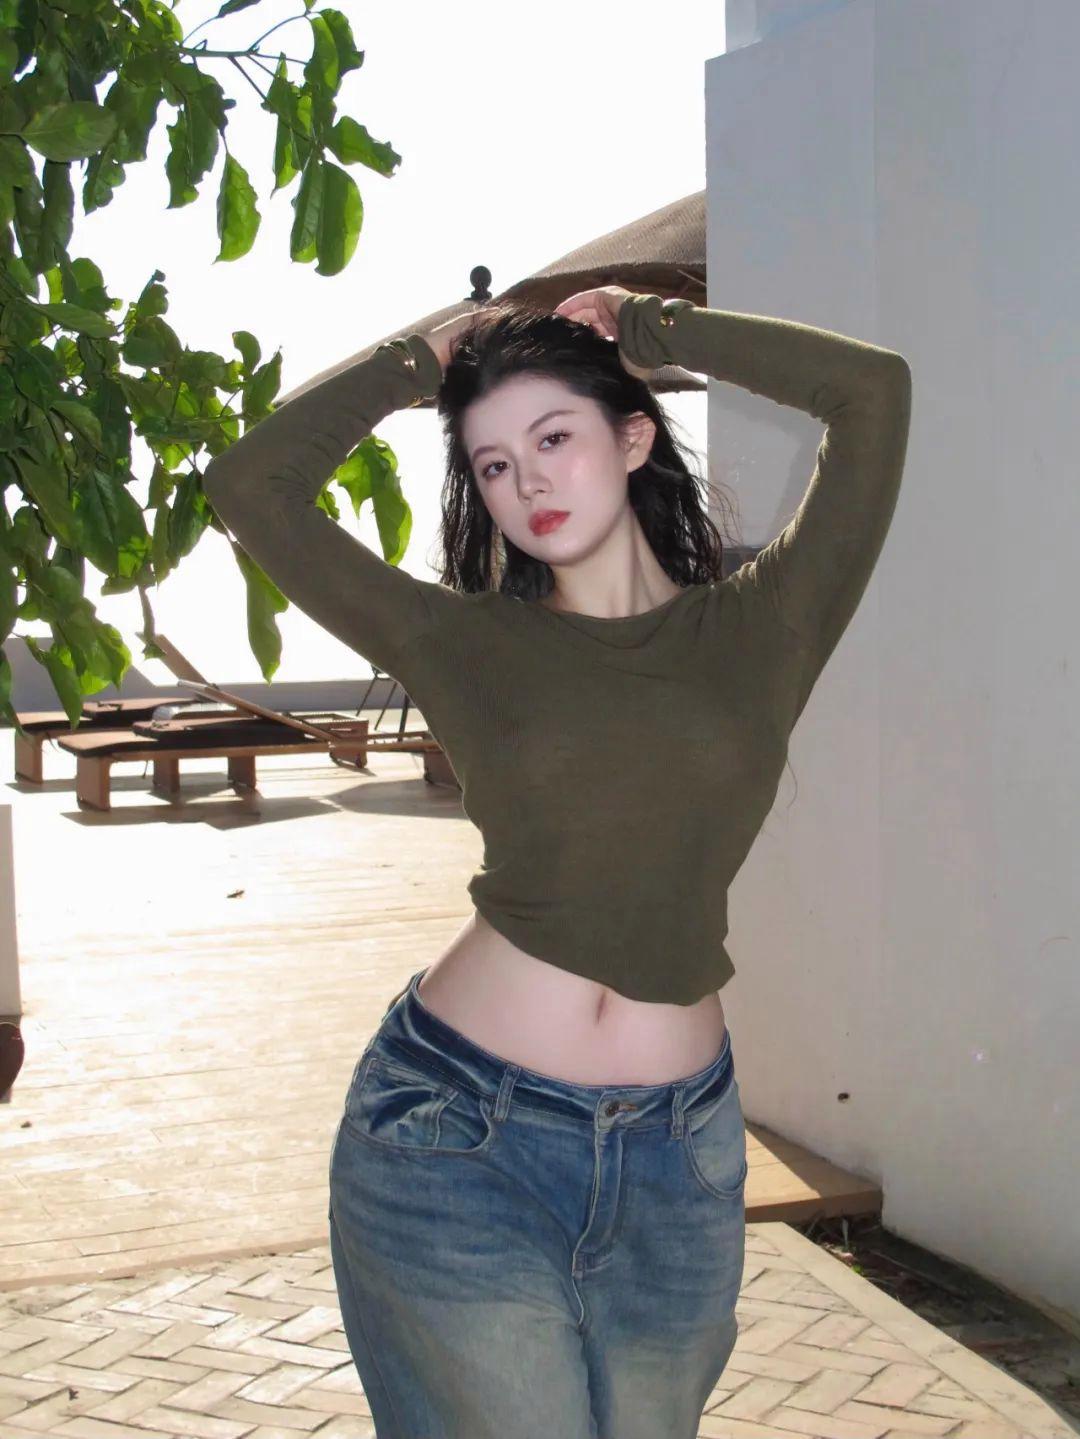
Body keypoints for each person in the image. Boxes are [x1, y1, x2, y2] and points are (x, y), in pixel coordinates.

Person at [201, 284, 912, 1438]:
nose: (526, 481)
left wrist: (651, 328)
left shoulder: (763, 626)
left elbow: (873, 392)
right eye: (492, 463)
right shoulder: (459, 638)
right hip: (454, 1137)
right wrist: (414, 363)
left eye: (553, 438)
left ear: (632, 437)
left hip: (680, 1156)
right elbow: (250, 486)